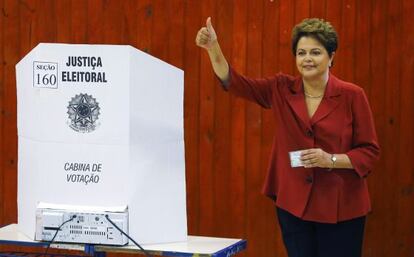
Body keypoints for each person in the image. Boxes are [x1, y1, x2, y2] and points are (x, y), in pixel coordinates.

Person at [195, 17, 380, 257]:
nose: (307, 59)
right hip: (294, 205)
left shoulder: (352, 95)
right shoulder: (281, 88)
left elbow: (369, 151)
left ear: (331, 56)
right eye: (301, 53)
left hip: (342, 207)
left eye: (316, 52)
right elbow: (236, 82)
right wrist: (213, 48)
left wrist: (331, 160)